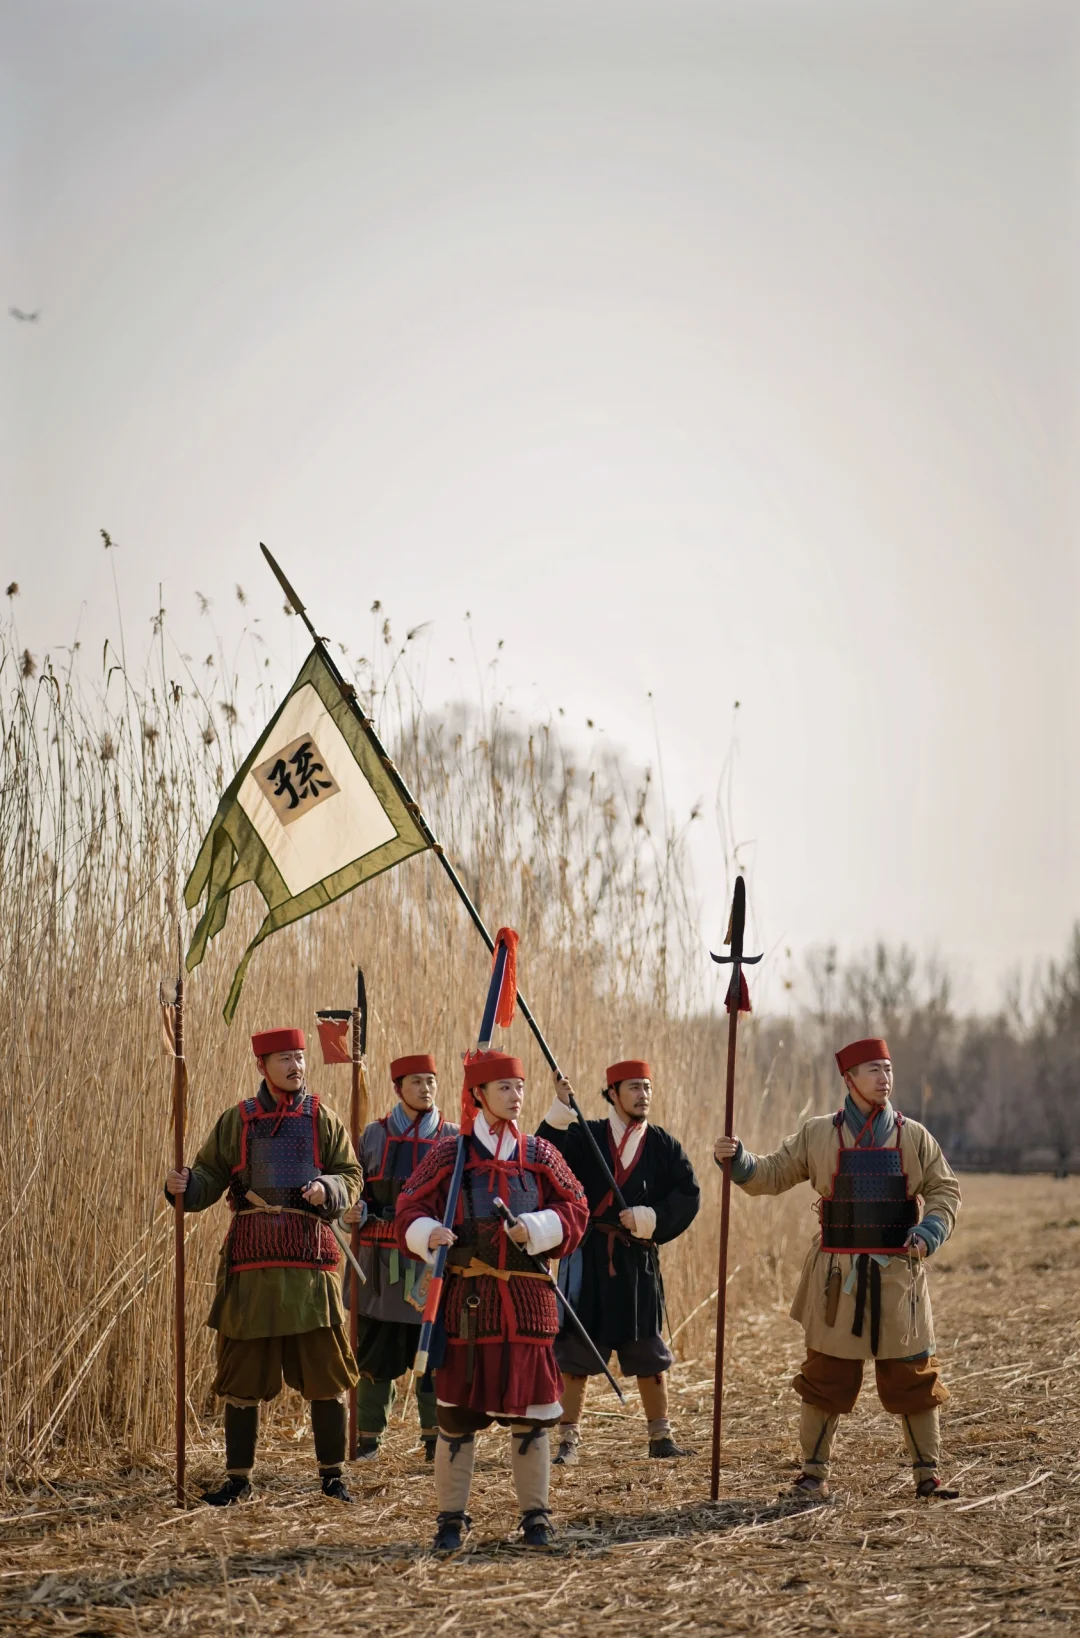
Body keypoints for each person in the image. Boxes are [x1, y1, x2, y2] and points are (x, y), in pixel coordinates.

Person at [714, 1036, 961, 1499]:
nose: (884, 1078)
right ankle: (813, 1475)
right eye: (872, 1070)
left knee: (913, 1377)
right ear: (848, 1079)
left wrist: (929, 1232)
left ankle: (927, 1474)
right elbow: (770, 1174)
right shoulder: (817, 1133)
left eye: (887, 1070)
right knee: (826, 1378)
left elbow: (946, 1191)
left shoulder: (914, 1136)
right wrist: (739, 1160)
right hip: (836, 1281)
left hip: (898, 1275)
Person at [395, 1051, 589, 1553]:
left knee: (532, 1415)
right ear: (478, 1094)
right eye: (504, 1087)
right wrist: (428, 1231)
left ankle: (536, 1518)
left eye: (520, 1088)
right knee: (456, 1416)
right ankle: (450, 1521)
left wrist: (539, 1227)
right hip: (468, 1304)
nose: (517, 1097)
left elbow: (576, 1207)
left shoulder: (541, 1154)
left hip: (527, 1303)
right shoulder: (450, 1154)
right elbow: (408, 1205)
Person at [165, 1027, 362, 1505]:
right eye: (285, 1059)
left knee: (326, 1377)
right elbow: (208, 1176)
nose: (296, 1065)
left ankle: (332, 1477)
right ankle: (238, 1480)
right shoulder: (239, 1121)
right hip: (251, 1266)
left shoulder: (324, 1119)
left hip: (310, 1266)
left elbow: (351, 1175)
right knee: (243, 1379)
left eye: (300, 1057)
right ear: (262, 1066)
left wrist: (328, 1189)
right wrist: (184, 1184)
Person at [537, 1060, 700, 1463]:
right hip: (588, 1257)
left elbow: (688, 1194)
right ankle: (567, 1441)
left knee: (647, 1348)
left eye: (647, 1087)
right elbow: (544, 1154)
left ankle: (660, 1438)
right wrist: (560, 1107)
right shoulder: (586, 1136)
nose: (643, 1094)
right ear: (612, 1093)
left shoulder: (663, 1145)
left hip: (636, 1260)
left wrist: (649, 1218)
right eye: (633, 1088)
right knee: (576, 1351)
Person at [340, 1054, 458, 1461]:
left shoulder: (454, 1137)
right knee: (375, 1355)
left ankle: (436, 1442)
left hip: (430, 1265)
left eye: (431, 1080)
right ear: (397, 1088)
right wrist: (350, 1210)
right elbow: (350, 1187)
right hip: (378, 1262)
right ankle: (368, 1441)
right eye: (416, 1082)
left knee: (432, 1355)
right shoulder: (370, 1136)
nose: (426, 1088)